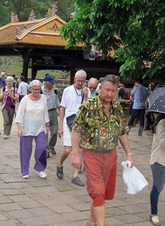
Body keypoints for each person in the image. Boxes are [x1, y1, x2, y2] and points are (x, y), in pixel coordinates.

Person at [71, 74, 134, 226]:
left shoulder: (117, 107)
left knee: (103, 192)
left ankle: (92, 221)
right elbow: (76, 129)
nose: (109, 94)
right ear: (100, 88)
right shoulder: (88, 106)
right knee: (98, 191)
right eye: (107, 90)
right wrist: (75, 154)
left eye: (113, 91)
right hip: (92, 154)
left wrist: (129, 154)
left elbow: (122, 132)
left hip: (111, 155)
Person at [57, 69, 88, 187]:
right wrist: (60, 126)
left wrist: (85, 96)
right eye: (78, 80)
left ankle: (75, 175)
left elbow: (87, 108)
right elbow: (62, 108)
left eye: (82, 81)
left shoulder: (86, 92)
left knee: (80, 149)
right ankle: (60, 164)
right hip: (68, 121)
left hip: (81, 122)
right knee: (68, 149)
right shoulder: (67, 90)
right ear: (75, 79)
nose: (80, 83)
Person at [16, 80, 50, 179]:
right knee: (26, 150)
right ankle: (25, 171)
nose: (36, 91)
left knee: (41, 148)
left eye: (38, 89)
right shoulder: (25, 99)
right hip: (27, 128)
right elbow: (19, 115)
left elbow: (45, 113)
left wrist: (47, 126)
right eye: (34, 89)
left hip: (40, 128)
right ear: (30, 89)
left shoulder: (43, 98)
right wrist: (19, 128)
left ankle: (40, 168)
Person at [43, 74, 60, 158]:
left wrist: (59, 109)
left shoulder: (54, 90)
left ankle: (51, 146)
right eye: (52, 82)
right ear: (47, 83)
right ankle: (46, 150)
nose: (53, 84)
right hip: (44, 112)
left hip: (53, 112)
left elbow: (57, 100)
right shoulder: (41, 91)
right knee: (45, 132)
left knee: (54, 131)